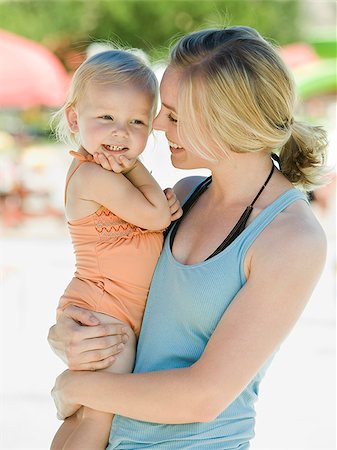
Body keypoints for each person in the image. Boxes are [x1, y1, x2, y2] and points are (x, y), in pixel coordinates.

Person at [49, 26, 328, 449]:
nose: (158, 124)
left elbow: (202, 398)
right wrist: (68, 334)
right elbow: (123, 298)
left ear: (228, 124)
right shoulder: (182, 196)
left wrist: (74, 388)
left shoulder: (291, 239)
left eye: (175, 115)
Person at [49, 49, 182, 450]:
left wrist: (152, 198)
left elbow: (153, 210)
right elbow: (157, 217)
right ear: (75, 119)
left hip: (111, 307)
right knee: (99, 416)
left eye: (137, 121)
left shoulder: (108, 173)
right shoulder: (93, 176)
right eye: (106, 118)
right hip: (104, 312)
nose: (120, 133)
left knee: (91, 411)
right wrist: (139, 173)